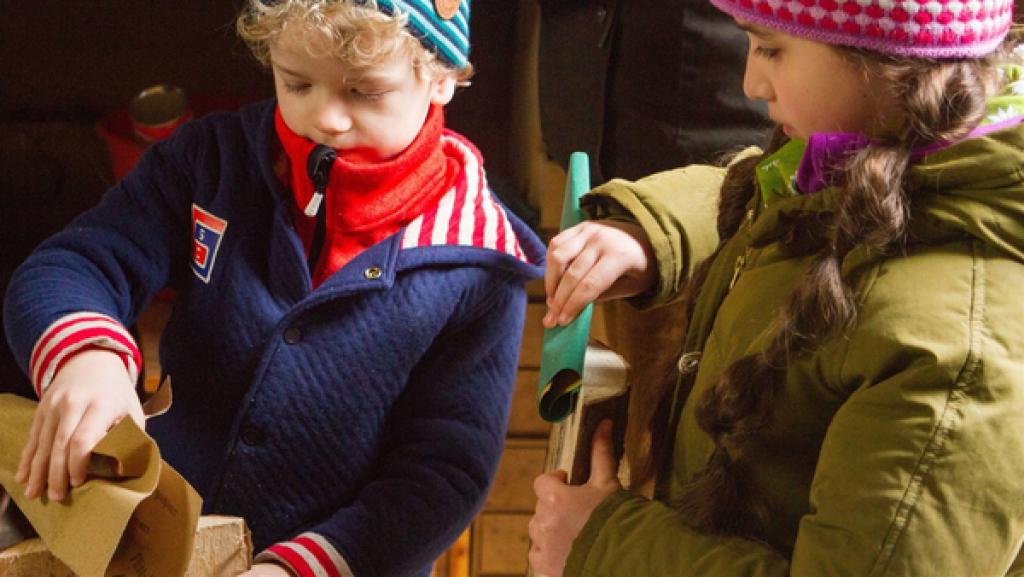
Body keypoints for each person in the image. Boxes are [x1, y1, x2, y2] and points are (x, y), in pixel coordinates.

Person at [2, 1, 545, 576]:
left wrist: (299, 568)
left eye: (365, 92)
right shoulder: (210, 160)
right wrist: (88, 357)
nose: (326, 117)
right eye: (298, 83)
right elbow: (75, 262)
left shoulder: (481, 264)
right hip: (151, 540)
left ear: (440, 78)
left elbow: (442, 474)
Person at [529, 0, 1024, 573]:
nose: (750, 82)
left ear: (887, 58)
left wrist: (604, 544)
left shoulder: (957, 357)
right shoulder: (875, 148)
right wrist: (653, 234)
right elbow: (777, 192)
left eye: (770, 48)